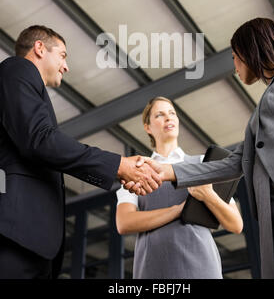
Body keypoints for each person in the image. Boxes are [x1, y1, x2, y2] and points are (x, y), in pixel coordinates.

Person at [125, 18, 274, 279]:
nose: (235, 66)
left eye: (234, 57)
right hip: (271, 213)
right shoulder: (259, 113)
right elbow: (233, 163)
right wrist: (164, 172)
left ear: (249, 50)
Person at [0, 25, 161, 279]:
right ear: (39, 48)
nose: (66, 66)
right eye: (63, 55)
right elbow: (40, 140)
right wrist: (118, 166)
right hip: (15, 236)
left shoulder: (29, 90)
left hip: (31, 241)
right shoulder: (18, 69)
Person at [116, 96, 243, 279]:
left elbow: (235, 224)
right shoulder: (137, 170)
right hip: (152, 270)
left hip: (201, 268)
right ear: (147, 127)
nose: (168, 118)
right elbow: (125, 222)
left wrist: (208, 195)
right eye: (160, 115)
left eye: (172, 113)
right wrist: (178, 210)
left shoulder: (203, 163)